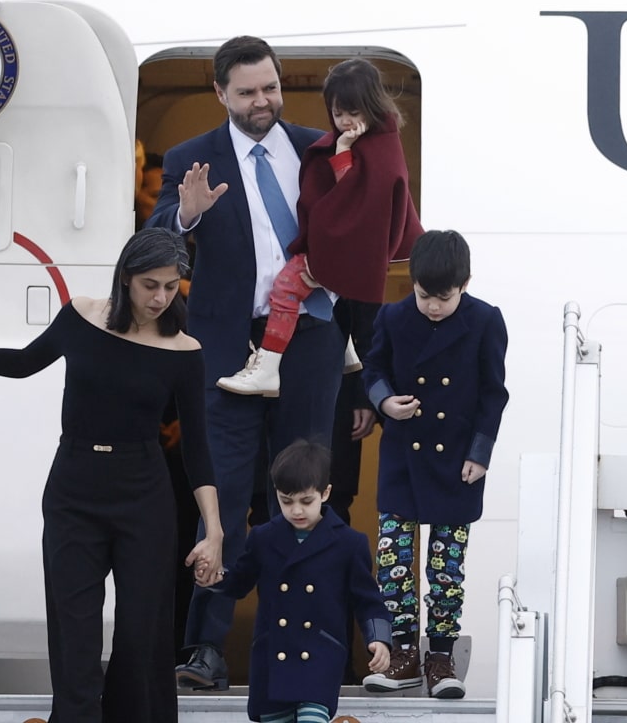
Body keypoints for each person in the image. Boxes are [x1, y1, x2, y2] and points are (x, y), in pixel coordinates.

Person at [0, 228, 224, 723]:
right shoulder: (81, 316)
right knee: (75, 635)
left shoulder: (183, 349)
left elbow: (197, 449)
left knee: (142, 633)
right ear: (126, 278)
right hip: (75, 488)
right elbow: (24, 362)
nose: (160, 297)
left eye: (171, 286)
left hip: (145, 494)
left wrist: (214, 530)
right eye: (150, 284)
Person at [146, 35, 346, 690]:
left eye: (271, 88)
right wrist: (185, 215)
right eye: (248, 92)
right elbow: (148, 252)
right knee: (224, 502)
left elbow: (372, 245)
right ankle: (205, 647)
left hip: (311, 345)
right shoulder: (189, 160)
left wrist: (368, 375)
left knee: (305, 498)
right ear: (220, 94)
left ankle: (310, 642)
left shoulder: (322, 149)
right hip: (228, 352)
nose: (263, 102)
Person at [359, 230, 509, 700]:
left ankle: (440, 656)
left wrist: (480, 453)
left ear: (465, 284)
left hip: (459, 459)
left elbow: (493, 393)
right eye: (424, 295)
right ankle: (402, 653)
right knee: (394, 561)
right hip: (404, 453)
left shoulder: (486, 320)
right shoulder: (394, 315)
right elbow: (373, 369)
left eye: (444, 297)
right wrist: (385, 403)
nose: (433, 306)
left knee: (447, 565)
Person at [217, 58, 423, 397]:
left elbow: (353, 202)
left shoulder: (369, 147)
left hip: (342, 249)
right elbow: (357, 202)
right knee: (329, 296)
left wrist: (324, 253)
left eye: (353, 112)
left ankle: (267, 367)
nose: (345, 121)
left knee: (286, 287)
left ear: (370, 106)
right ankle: (347, 353)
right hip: (350, 250)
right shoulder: (381, 140)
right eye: (338, 112)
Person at [208, 440, 391, 723]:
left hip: (319, 655)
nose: (296, 511)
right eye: (286, 500)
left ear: (325, 493)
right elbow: (240, 582)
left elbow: (368, 600)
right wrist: (214, 575)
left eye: (306, 501)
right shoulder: (263, 537)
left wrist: (379, 639)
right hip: (273, 654)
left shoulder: (349, 542)